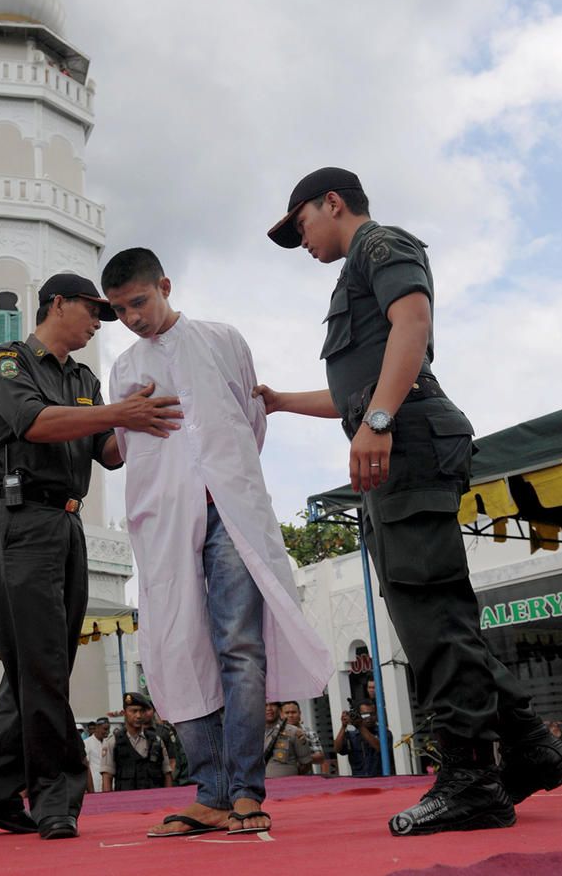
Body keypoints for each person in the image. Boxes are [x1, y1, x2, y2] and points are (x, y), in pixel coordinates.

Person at [260, 166, 562, 835]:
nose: (301, 240)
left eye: (301, 224)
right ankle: (527, 746)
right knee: (431, 615)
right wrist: (282, 401)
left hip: (407, 441)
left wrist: (379, 421)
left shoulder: (380, 243)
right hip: (400, 441)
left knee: (431, 614)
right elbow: (354, 389)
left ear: (332, 203)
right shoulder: (357, 267)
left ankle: (470, 779)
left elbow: (412, 322)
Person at [101, 248, 333, 837]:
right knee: (178, 644)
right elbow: (124, 446)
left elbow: (251, 421)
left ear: (165, 286)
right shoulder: (124, 369)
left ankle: (245, 791)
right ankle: (210, 793)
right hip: (164, 518)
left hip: (231, 511)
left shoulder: (223, 339)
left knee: (239, 645)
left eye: (138, 302)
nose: (131, 317)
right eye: (119, 310)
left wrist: (222, 477)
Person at [0, 272, 184, 841]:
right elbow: (34, 423)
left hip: (67, 522)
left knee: (41, 662)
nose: (99, 324)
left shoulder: (84, 379)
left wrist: (149, 415)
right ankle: (56, 798)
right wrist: (119, 414)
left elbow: (107, 450)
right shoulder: (9, 361)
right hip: (21, 520)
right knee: (42, 663)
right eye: (92, 310)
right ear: (57, 304)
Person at [100, 693, 172, 791]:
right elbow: (107, 778)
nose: (138, 716)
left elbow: (167, 775)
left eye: (142, 711)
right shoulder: (113, 742)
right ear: (124, 713)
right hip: (126, 799)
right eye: (134, 711)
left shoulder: (156, 741)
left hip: (154, 798)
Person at [334, 701, 394, 777]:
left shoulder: (384, 733)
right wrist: (343, 726)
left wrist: (360, 726)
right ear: (359, 715)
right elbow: (337, 749)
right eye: (365, 715)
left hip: (381, 778)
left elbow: (380, 748)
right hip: (359, 779)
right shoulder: (352, 735)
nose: (369, 718)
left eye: (372, 714)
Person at [264, 702, 312, 777]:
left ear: (280, 710)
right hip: (259, 783)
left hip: (287, 782)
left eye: (273, 705)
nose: (269, 708)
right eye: (265, 705)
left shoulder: (295, 732)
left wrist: (292, 777)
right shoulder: (251, 734)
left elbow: (306, 764)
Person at [280, 700, 327, 773]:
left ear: (299, 713)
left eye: (293, 712)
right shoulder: (276, 733)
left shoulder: (309, 732)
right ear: (281, 715)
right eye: (287, 713)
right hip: (283, 775)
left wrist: (302, 755)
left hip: (306, 776)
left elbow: (320, 758)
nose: (290, 715)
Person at [84, 717, 110, 792]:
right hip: (94, 783)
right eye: (105, 729)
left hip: (107, 783)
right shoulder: (87, 743)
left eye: (108, 729)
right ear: (97, 728)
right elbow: (85, 766)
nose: (107, 732)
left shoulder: (108, 742)